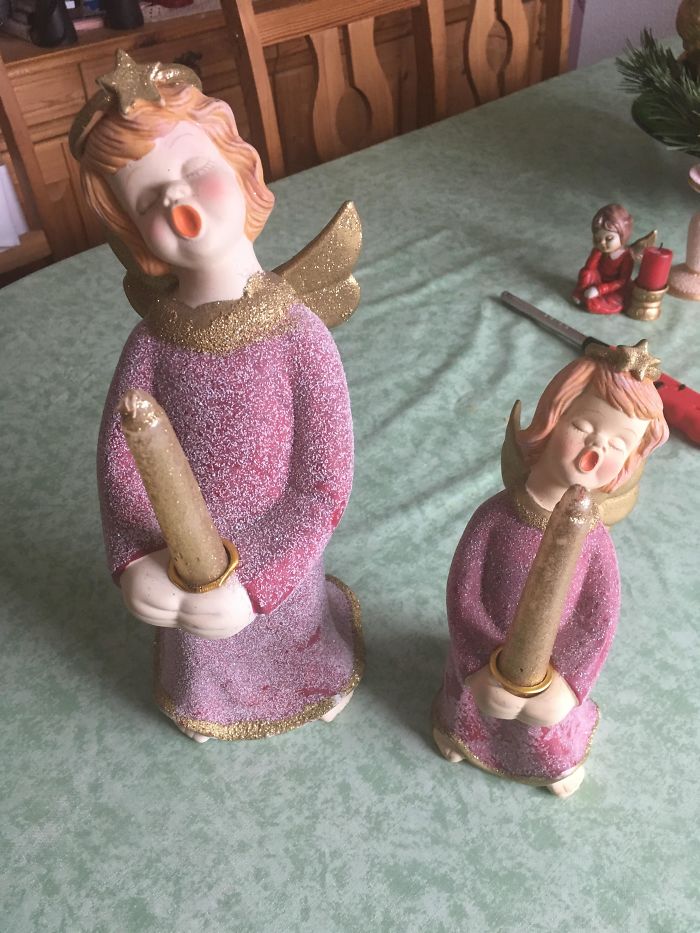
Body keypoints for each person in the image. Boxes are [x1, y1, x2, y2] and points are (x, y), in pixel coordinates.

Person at [70, 52, 363, 742]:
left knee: (285, 624)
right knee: (200, 638)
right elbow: (120, 468)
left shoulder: (299, 336)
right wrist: (134, 560)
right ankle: (206, 697)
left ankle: (310, 675)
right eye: (150, 202)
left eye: (196, 170)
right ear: (135, 235)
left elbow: (323, 484)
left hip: (278, 563)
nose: (180, 205)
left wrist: (258, 579)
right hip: (182, 565)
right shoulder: (151, 345)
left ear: (240, 168)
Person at [432, 343, 668, 796]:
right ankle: (460, 734)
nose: (597, 447)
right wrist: (476, 664)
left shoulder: (594, 541)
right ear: (550, 421)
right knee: (472, 706)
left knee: (544, 728)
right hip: (483, 660)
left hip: (552, 673)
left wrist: (568, 684)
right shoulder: (496, 518)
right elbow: (464, 593)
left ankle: (552, 762)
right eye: (583, 426)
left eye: (619, 444)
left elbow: (597, 619)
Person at [572, 204, 635, 314]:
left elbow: (622, 281)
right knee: (586, 273)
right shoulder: (599, 249)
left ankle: (590, 300)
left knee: (600, 303)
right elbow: (589, 269)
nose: (602, 243)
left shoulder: (626, 256)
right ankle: (581, 293)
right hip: (598, 280)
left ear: (623, 236)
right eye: (597, 239)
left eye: (609, 238)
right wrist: (597, 252)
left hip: (614, 288)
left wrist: (600, 290)